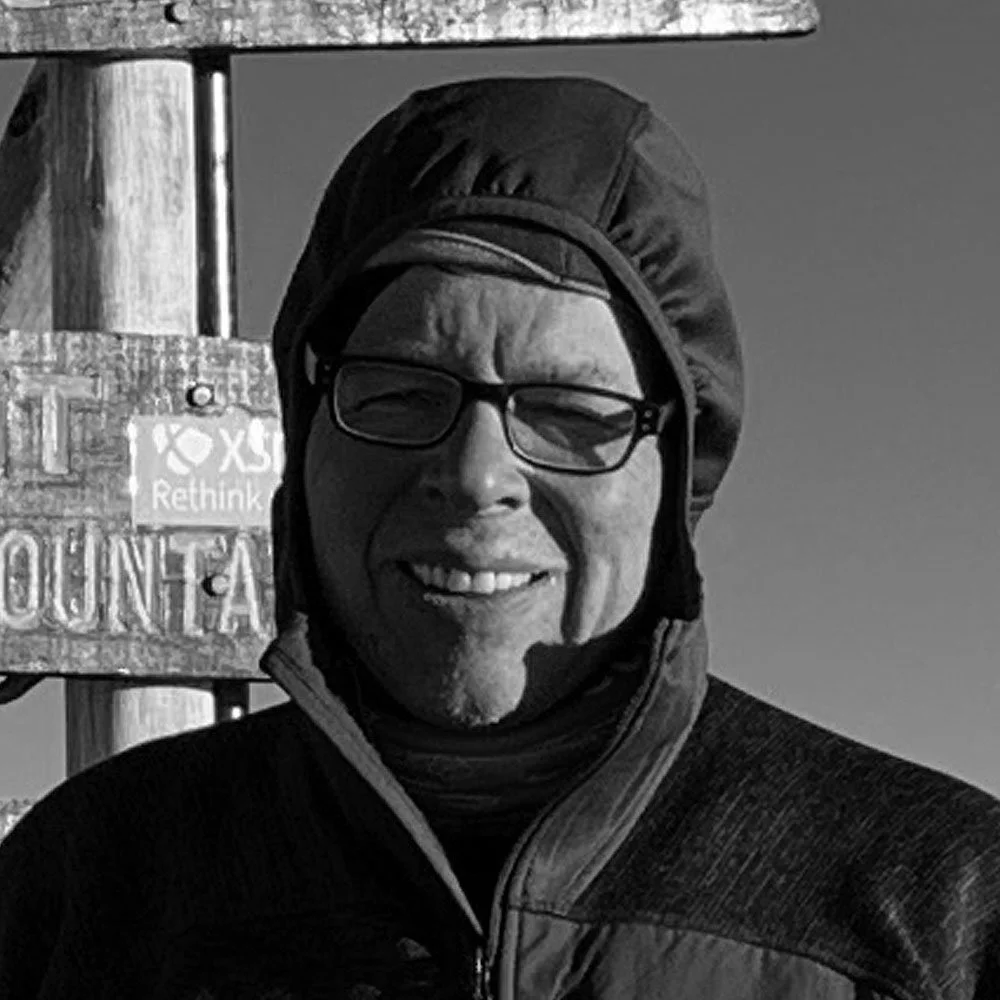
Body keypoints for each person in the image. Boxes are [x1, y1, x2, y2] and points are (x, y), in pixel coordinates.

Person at [1, 75, 998, 1000]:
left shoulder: (941, 908)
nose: (477, 476)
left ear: (679, 468)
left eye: (570, 412)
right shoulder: (85, 891)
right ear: (305, 443)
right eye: (398, 394)